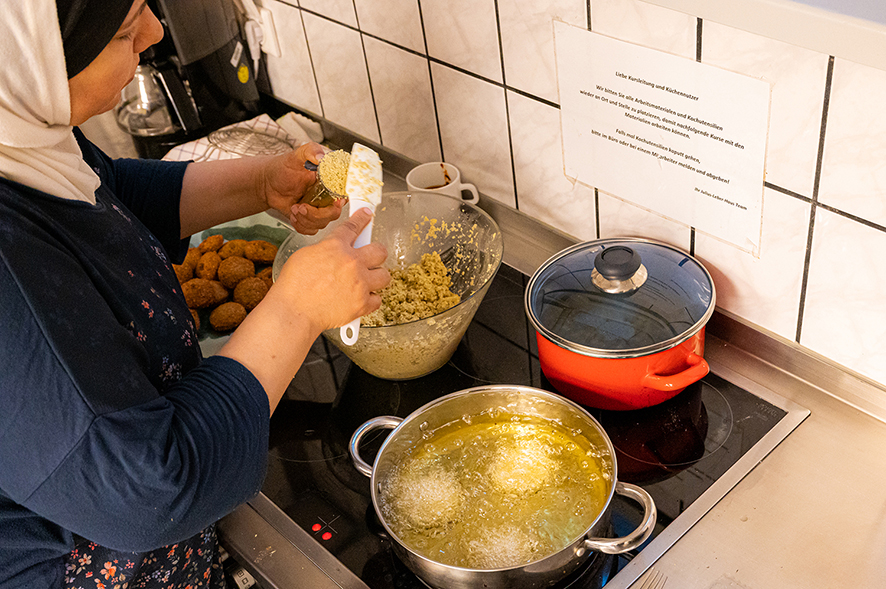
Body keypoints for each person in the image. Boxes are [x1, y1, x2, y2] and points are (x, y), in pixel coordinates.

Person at [0, 1, 390, 587]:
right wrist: (297, 309)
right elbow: (149, 491)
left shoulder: (20, 140)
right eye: (127, 29)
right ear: (27, 60)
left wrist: (260, 182)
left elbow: (103, 192)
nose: (156, 33)